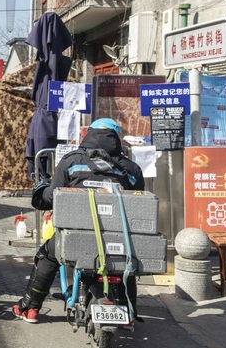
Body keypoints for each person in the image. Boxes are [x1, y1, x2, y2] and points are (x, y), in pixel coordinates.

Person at [12, 118, 145, 324]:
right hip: (118, 240)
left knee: (47, 256)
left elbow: (52, 196)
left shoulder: (71, 161)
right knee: (125, 264)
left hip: (73, 236)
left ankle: (30, 308)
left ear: (89, 134)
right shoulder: (131, 169)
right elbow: (139, 204)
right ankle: (130, 309)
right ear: (116, 137)